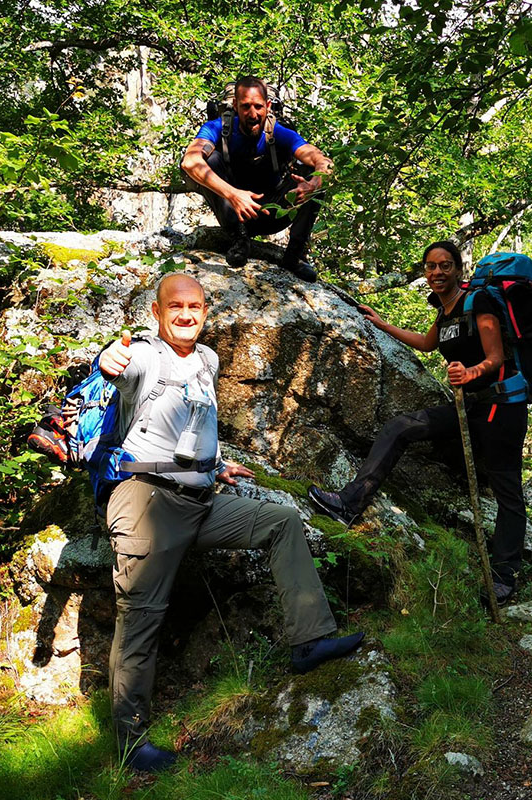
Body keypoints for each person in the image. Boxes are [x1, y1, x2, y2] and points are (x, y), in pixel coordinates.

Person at [99, 273, 363, 772]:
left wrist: (215, 465)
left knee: (282, 521)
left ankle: (309, 640)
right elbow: (116, 368)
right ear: (156, 312)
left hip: (202, 500)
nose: (185, 314)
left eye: (195, 306)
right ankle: (130, 744)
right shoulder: (142, 355)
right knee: (141, 617)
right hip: (148, 504)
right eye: (174, 306)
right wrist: (106, 359)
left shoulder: (208, 360)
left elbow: (191, 423)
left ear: (206, 311)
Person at [307, 241, 529, 604]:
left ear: (459, 269)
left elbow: (496, 357)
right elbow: (427, 344)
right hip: (470, 407)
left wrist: (470, 371)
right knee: (401, 426)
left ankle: (504, 577)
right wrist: (382, 324)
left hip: (503, 407)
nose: (437, 273)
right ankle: (348, 503)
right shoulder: (444, 313)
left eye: (445, 265)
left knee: (507, 490)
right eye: (430, 266)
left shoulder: (480, 303)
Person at [181, 76, 332, 283]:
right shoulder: (217, 128)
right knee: (210, 159)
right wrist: (233, 195)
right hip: (233, 213)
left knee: (313, 173)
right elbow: (189, 162)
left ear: (268, 106)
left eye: (259, 107)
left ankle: (295, 255)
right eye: (245, 107)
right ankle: (239, 240)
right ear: (235, 105)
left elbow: (322, 160)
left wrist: (315, 182)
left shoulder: (278, 132)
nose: (253, 114)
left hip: (273, 213)